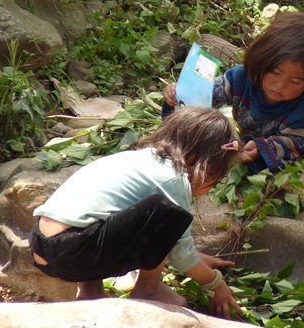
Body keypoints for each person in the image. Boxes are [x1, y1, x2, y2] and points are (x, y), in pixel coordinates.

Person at [30, 107, 241, 317]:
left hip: (43, 248)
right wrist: (217, 284)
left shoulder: (139, 159)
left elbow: (136, 229)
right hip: (73, 252)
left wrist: (196, 258)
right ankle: (148, 290)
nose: (212, 188)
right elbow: (181, 256)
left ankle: (90, 291)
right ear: (206, 162)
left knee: (107, 214)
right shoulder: (173, 179)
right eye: (218, 178)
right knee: (167, 214)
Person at [164, 11, 304, 172]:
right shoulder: (240, 78)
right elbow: (205, 97)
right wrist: (178, 96)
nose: (280, 85)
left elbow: (298, 146)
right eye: (274, 72)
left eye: (295, 81)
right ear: (261, 59)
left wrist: (261, 149)